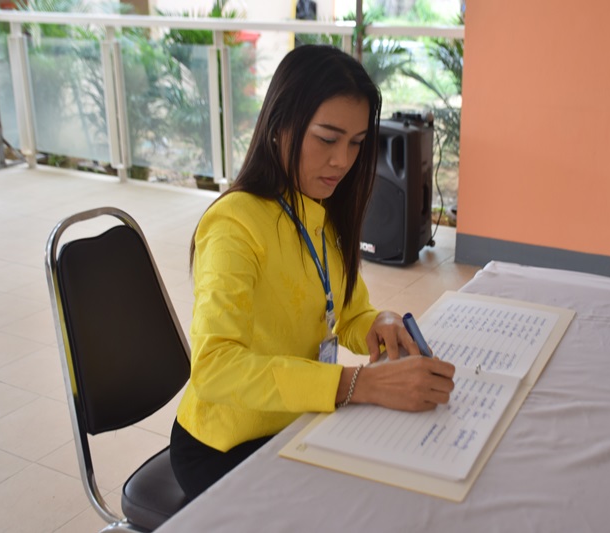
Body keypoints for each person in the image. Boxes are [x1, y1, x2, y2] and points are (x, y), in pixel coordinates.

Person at [170, 44, 456, 501]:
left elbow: (347, 312)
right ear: (280, 126)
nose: (343, 160)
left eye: (357, 143)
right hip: (226, 444)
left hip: (299, 419)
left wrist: (378, 322)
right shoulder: (235, 224)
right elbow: (214, 369)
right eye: (327, 139)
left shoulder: (320, 209)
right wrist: (356, 384)